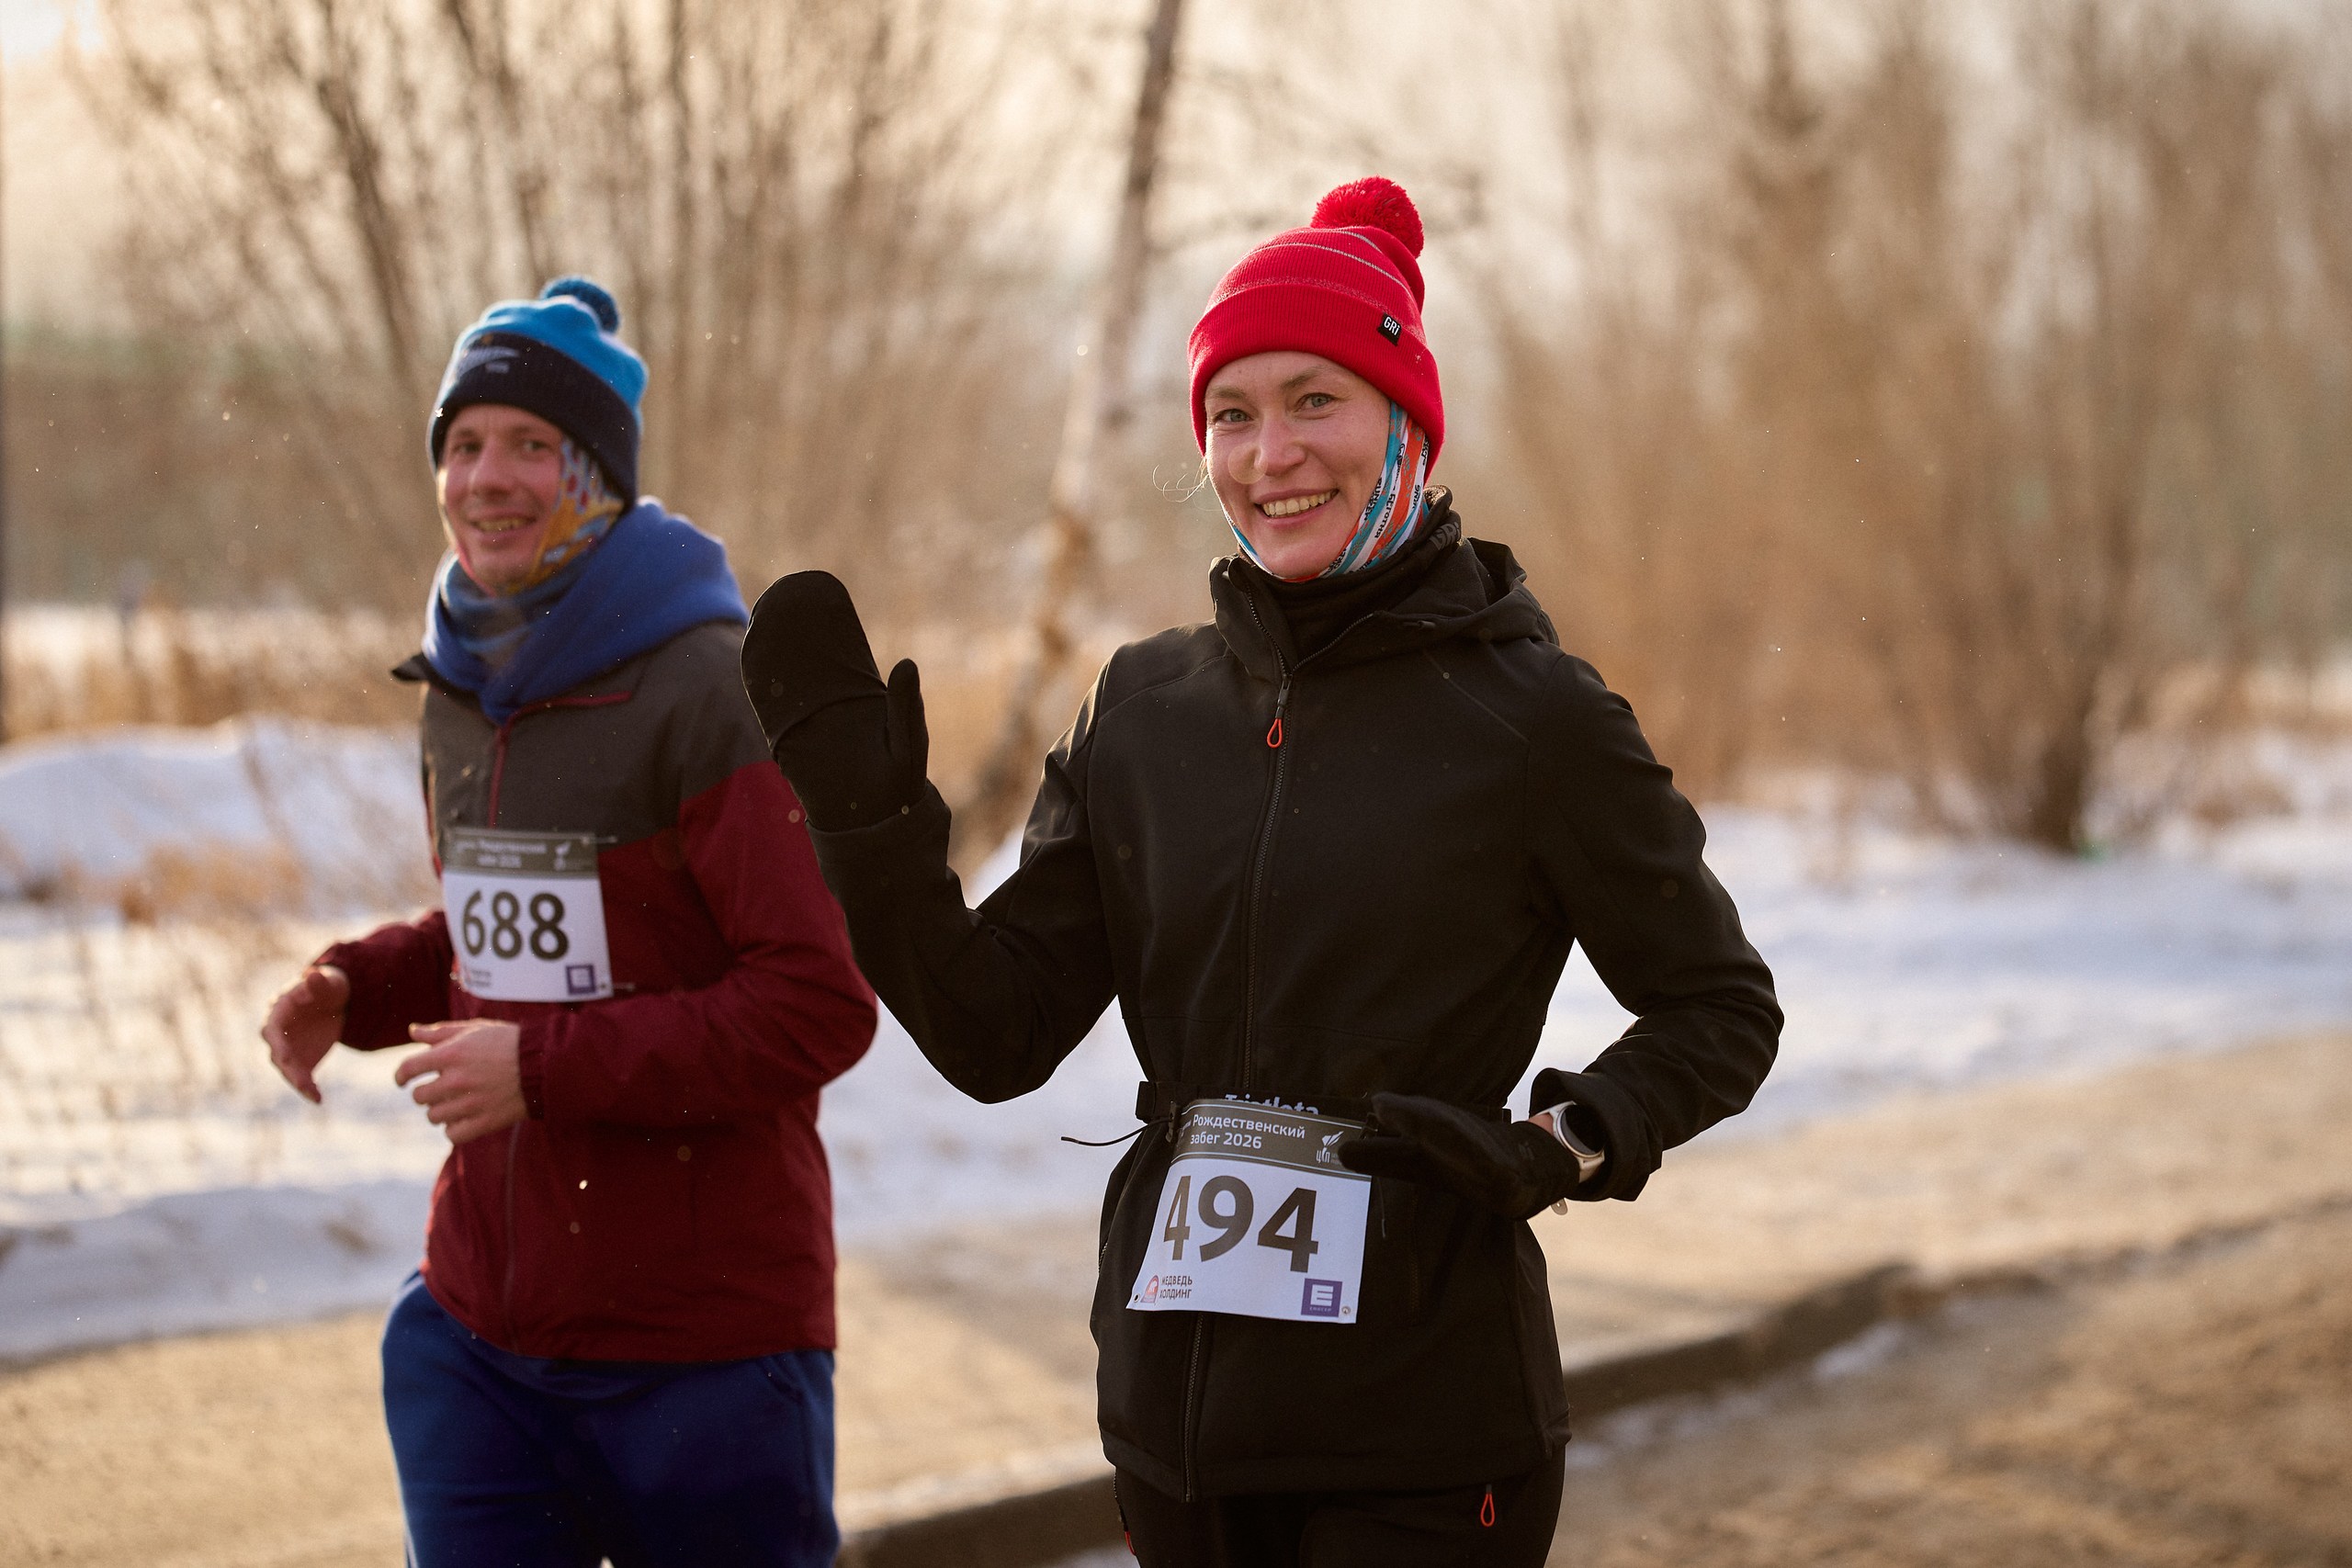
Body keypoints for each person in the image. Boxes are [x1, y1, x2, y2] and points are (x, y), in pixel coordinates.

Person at [741, 179, 1781, 1565]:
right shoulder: (1143, 709)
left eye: (1314, 401)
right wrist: (871, 835)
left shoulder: (1535, 719)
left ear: (1405, 423)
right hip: (1176, 1437)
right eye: (1231, 414)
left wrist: (1568, 1138)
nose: (1270, 453)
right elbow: (995, 1034)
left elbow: (1721, 1007)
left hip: (1422, 1438)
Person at [261, 277, 876, 1568]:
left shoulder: (712, 686)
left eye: (530, 445)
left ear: (594, 476)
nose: (485, 478)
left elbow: (817, 1002)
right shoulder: (462, 680)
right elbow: (521, 933)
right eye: (463, 444)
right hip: (478, 1339)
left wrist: (541, 1071)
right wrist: (358, 986)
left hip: (700, 1357)